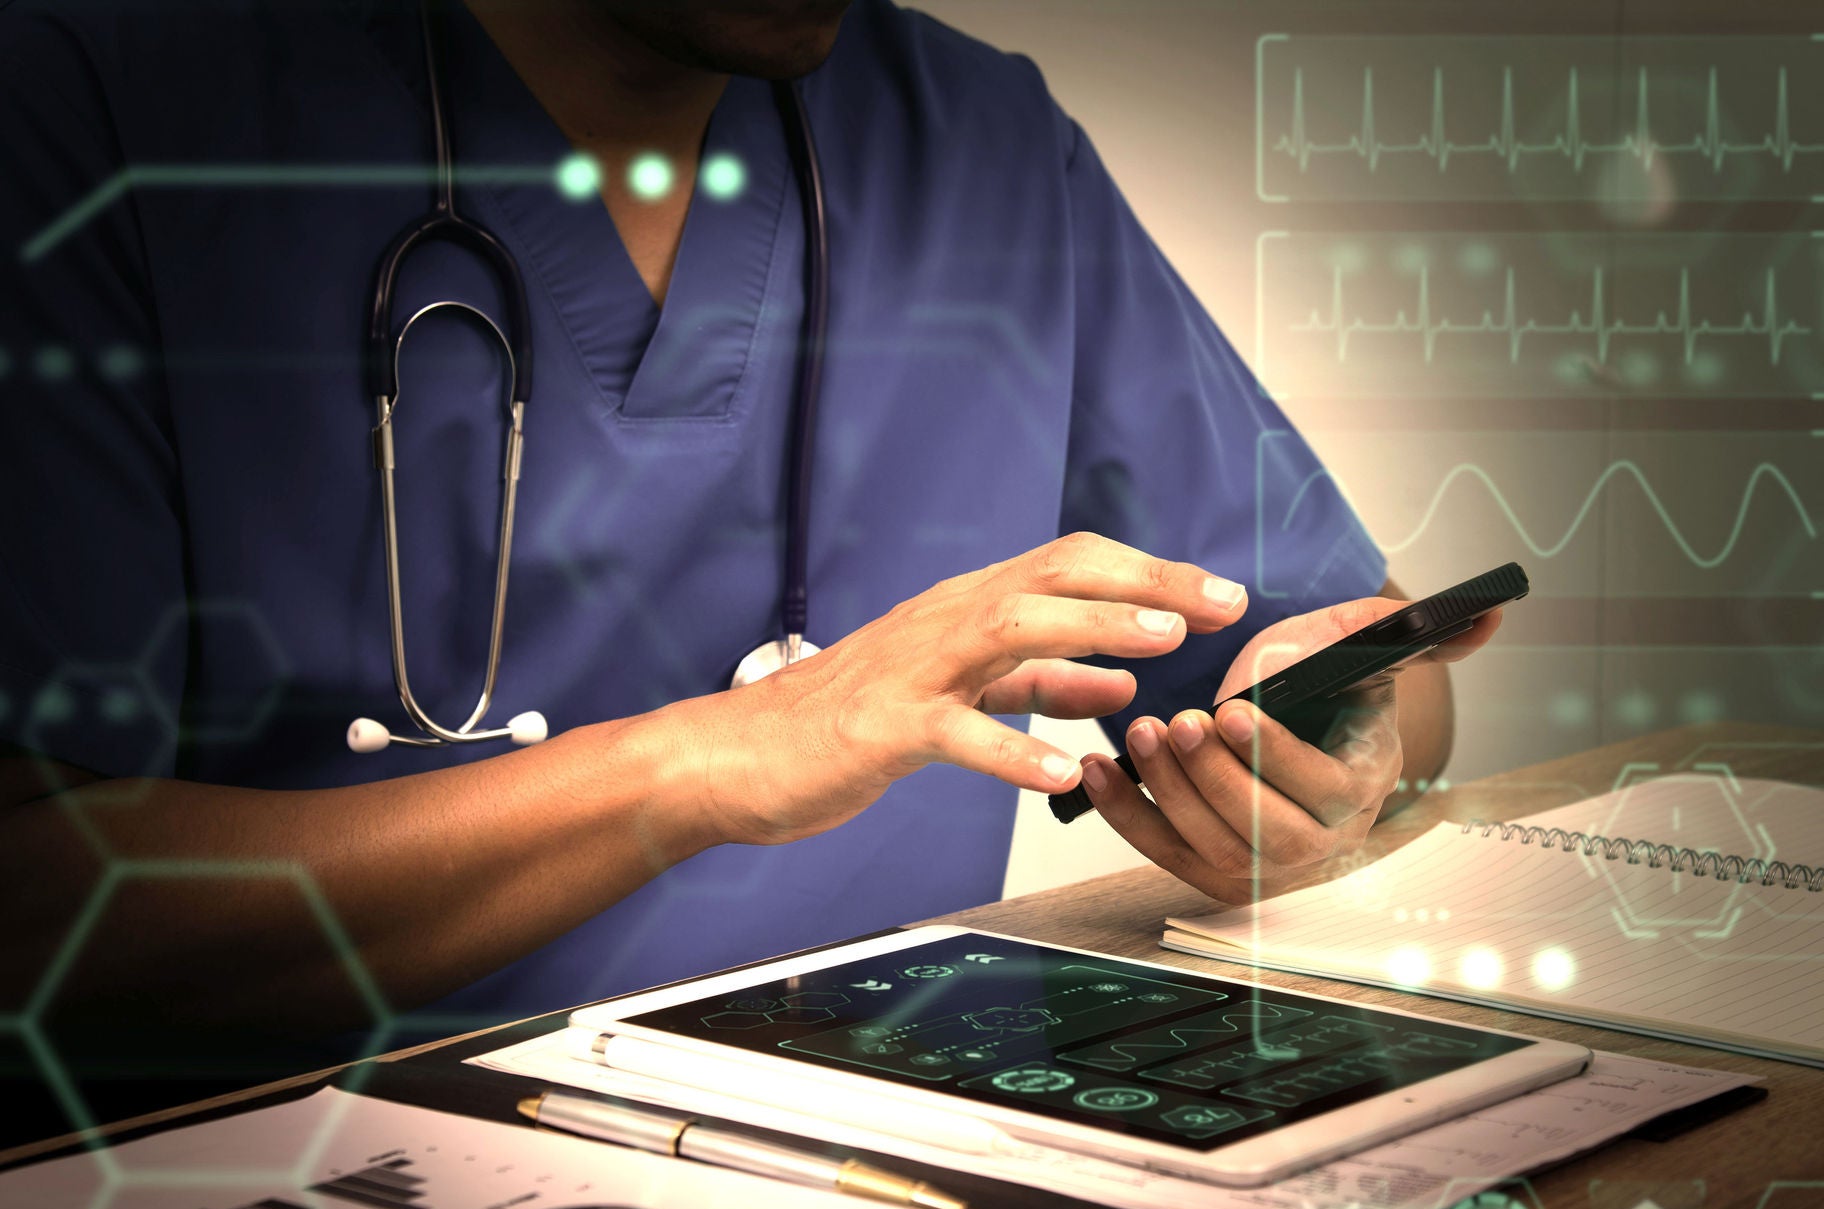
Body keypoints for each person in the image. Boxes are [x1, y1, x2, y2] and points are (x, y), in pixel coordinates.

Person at [0, 0, 1498, 1127]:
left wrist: (1340, 753)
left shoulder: (975, 142)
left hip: (906, 1163)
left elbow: (1360, 665)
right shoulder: (91, 99)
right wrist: (713, 762)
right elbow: (36, 908)